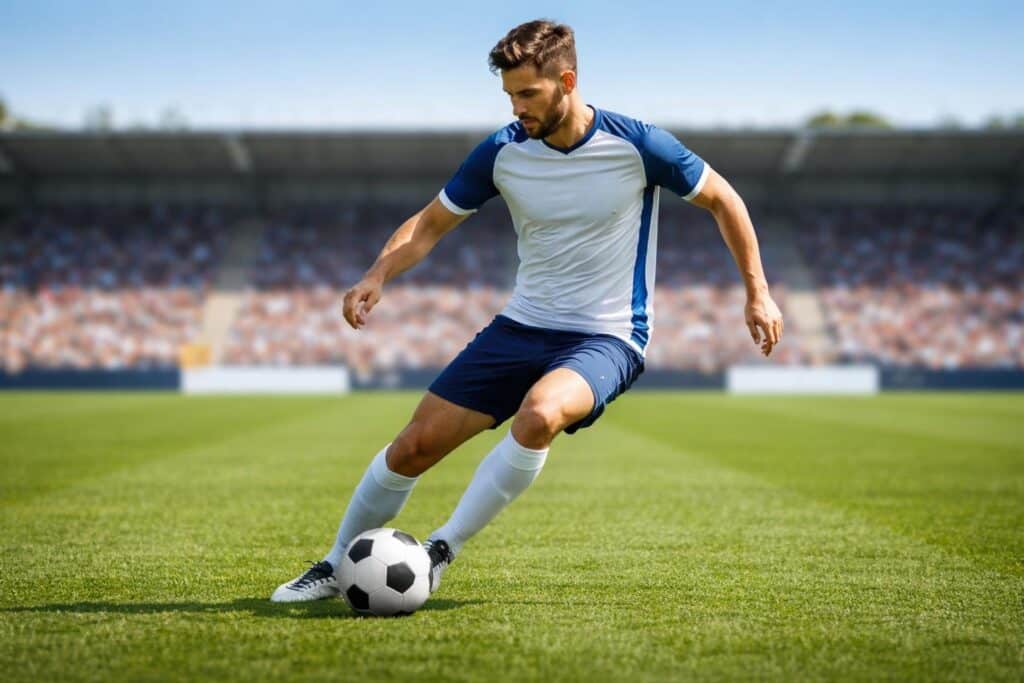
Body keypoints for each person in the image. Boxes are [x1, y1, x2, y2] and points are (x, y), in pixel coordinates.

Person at [271, 19, 783, 602]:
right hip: (520, 326)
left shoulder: (639, 145)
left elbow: (724, 199)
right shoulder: (503, 150)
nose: (517, 108)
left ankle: (440, 551)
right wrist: (377, 273)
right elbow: (430, 222)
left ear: (567, 80)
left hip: (608, 335)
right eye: (510, 95)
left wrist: (757, 290)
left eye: (528, 94)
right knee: (413, 446)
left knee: (540, 414)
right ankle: (337, 565)